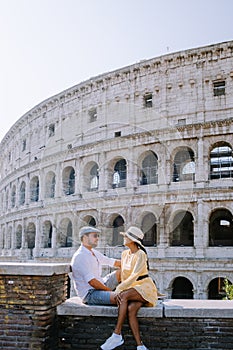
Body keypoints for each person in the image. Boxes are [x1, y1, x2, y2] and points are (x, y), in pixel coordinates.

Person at [100, 226, 157, 350]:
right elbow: (125, 276)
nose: (124, 238)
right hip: (133, 288)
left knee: (123, 295)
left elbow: (135, 275)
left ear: (132, 240)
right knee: (131, 310)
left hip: (144, 286)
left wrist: (120, 289)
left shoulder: (141, 254)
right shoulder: (124, 254)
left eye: (126, 236)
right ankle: (140, 345)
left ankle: (117, 334)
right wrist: (124, 287)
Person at [71, 226, 121, 305]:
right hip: (90, 293)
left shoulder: (92, 252)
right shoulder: (80, 256)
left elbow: (110, 261)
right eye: (94, 236)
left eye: (98, 236)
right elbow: (92, 282)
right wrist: (109, 291)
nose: (97, 238)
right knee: (122, 298)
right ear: (84, 237)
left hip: (100, 285)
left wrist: (129, 264)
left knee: (122, 272)